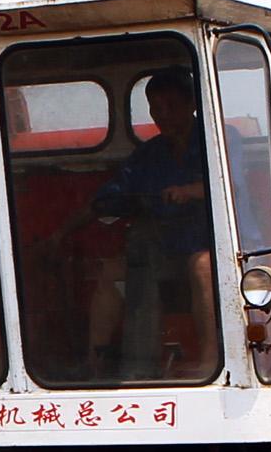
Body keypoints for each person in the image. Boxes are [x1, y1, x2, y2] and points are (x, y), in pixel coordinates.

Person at [86, 67, 217, 377]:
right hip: (165, 249)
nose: (164, 115)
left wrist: (190, 192)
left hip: (215, 247)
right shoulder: (149, 154)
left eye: (171, 106)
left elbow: (231, 184)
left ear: (192, 104)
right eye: (157, 108)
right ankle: (94, 367)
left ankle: (211, 360)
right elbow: (115, 192)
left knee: (202, 265)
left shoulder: (219, 140)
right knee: (112, 270)